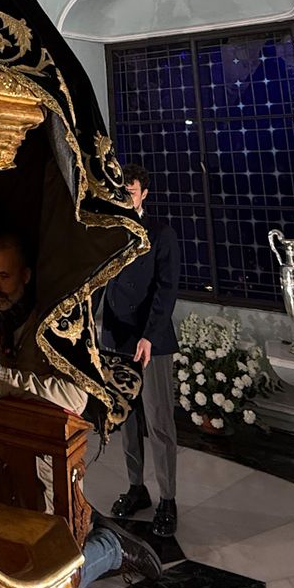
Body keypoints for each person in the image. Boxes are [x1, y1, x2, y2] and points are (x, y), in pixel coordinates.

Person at [0, 234, 161, 588]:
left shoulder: (57, 321)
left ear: (25, 275)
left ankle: (110, 547)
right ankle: (94, 526)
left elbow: (74, 395)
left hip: (46, 456)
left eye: (4, 276)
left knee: (50, 576)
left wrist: (1, 378)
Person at [102, 163, 180, 537]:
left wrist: (149, 335)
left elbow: (166, 291)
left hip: (152, 340)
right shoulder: (109, 231)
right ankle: (137, 488)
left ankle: (168, 499)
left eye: (130, 191)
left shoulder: (161, 233)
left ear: (143, 194)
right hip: (116, 340)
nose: (124, 197)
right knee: (127, 421)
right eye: (120, 191)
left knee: (159, 422)